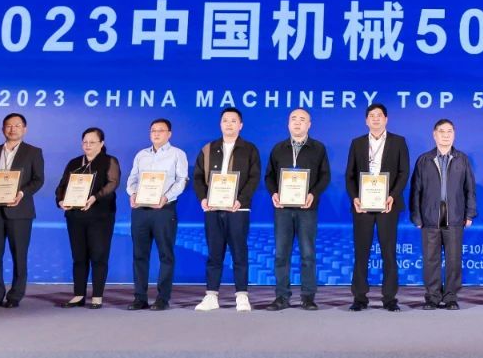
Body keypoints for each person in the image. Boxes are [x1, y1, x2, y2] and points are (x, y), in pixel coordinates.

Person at [192, 107, 261, 312]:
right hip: (213, 209)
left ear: (241, 125)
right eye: (225, 120)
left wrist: (241, 200)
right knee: (214, 253)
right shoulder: (208, 149)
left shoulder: (249, 149)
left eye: (233, 121)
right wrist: (203, 198)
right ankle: (211, 296)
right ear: (220, 124)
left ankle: (242, 296)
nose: (229, 124)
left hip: (238, 209)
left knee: (239, 252)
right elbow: (197, 177)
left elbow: (254, 178)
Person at [0, 112, 44, 309]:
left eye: (17, 125)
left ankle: (15, 295)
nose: (13, 129)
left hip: (20, 212)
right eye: (9, 126)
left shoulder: (33, 152)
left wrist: (21, 193)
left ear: (25, 129)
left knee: (19, 255)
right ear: (2, 129)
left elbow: (38, 180)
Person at [344, 103, 410, 311]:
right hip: (363, 206)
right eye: (371, 115)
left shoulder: (398, 142)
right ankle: (359, 298)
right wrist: (355, 198)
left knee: (388, 252)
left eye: (379, 115)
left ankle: (389, 298)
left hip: (387, 205)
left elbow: (404, 172)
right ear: (366, 121)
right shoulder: (357, 143)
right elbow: (350, 175)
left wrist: (392, 196)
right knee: (361, 252)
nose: (375, 118)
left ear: (386, 119)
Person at [265, 108, 331, 311]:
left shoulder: (318, 148)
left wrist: (313, 194)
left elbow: (325, 176)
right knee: (281, 254)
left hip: (307, 209)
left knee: (308, 254)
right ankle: (281, 297)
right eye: (293, 119)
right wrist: (274, 193)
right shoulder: (278, 148)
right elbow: (269, 176)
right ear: (288, 124)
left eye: (302, 119)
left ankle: (308, 297)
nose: (297, 122)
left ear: (309, 125)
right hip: (283, 209)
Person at [410, 119, 477, 310]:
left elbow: (470, 189)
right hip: (429, 217)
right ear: (434, 134)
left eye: (449, 131)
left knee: (454, 259)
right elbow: (416, 190)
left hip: (454, 216)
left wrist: (470, 214)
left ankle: (450, 297)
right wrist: (416, 216)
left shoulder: (462, 159)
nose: (446, 135)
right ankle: (432, 296)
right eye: (442, 131)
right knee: (431, 259)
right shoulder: (424, 160)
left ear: (454, 135)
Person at [54, 128, 120, 310]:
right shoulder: (74, 162)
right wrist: (61, 200)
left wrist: (95, 198)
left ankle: (97, 296)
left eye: (92, 142)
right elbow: (62, 185)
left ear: (101, 143)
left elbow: (113, 183)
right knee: (79, 256)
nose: (88, 145)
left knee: (99, 255)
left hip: (100, 216)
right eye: (85, 142)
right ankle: (78, 295)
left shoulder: (109, 161)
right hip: (75, 216)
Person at [126, 118, 188, 311]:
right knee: (139, 255)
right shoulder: (141, 155)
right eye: (153, 130)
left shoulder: (177, 154)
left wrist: (166, 197)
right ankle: (140, 297)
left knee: (166, 255)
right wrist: (132, 193)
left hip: (164, 209)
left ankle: (163, 298)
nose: (156, 134)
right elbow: (132, 179)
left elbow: (181, 181)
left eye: (161, 130)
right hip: (140, 210)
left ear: (169, 134)